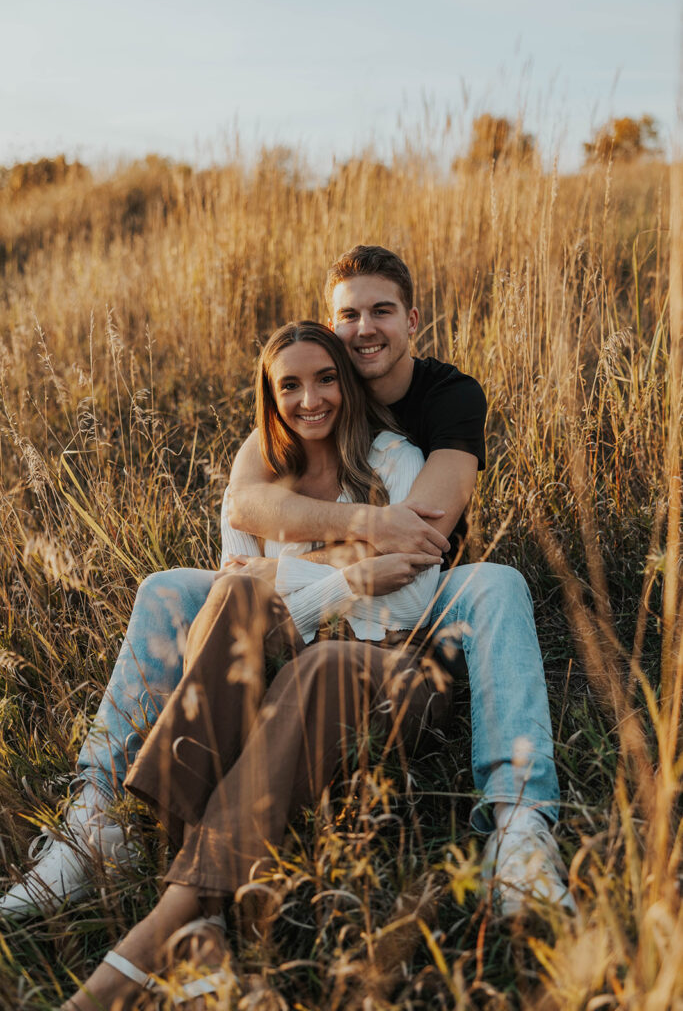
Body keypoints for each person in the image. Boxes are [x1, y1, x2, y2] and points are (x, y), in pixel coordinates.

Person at [1, 245, 573, 925]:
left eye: (380, 311)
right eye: (348, 314)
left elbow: (421, 538)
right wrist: (357, 541)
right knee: (165, 587)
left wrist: (285, 571)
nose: (364, 328)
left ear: (411, 319)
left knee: (498, 582)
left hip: (424, 599)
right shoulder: (267, 443)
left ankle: (518, 825)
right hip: (327, 601)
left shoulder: (441, 403)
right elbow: (243, 525)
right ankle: (94, 817)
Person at [60, 320, 446, 1009]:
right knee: (237, 593)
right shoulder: (259, 473)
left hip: (396, 669)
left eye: (325, 378)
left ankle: (163, 925)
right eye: (289, 385)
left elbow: (412, 594)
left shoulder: (395, 461)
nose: (310, 400)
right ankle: (202, 921)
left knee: (319, 654)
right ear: (270, 396)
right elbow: (240, 592)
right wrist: (350, 577)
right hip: (292, 657)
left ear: (347, 382)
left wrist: (287, 572)